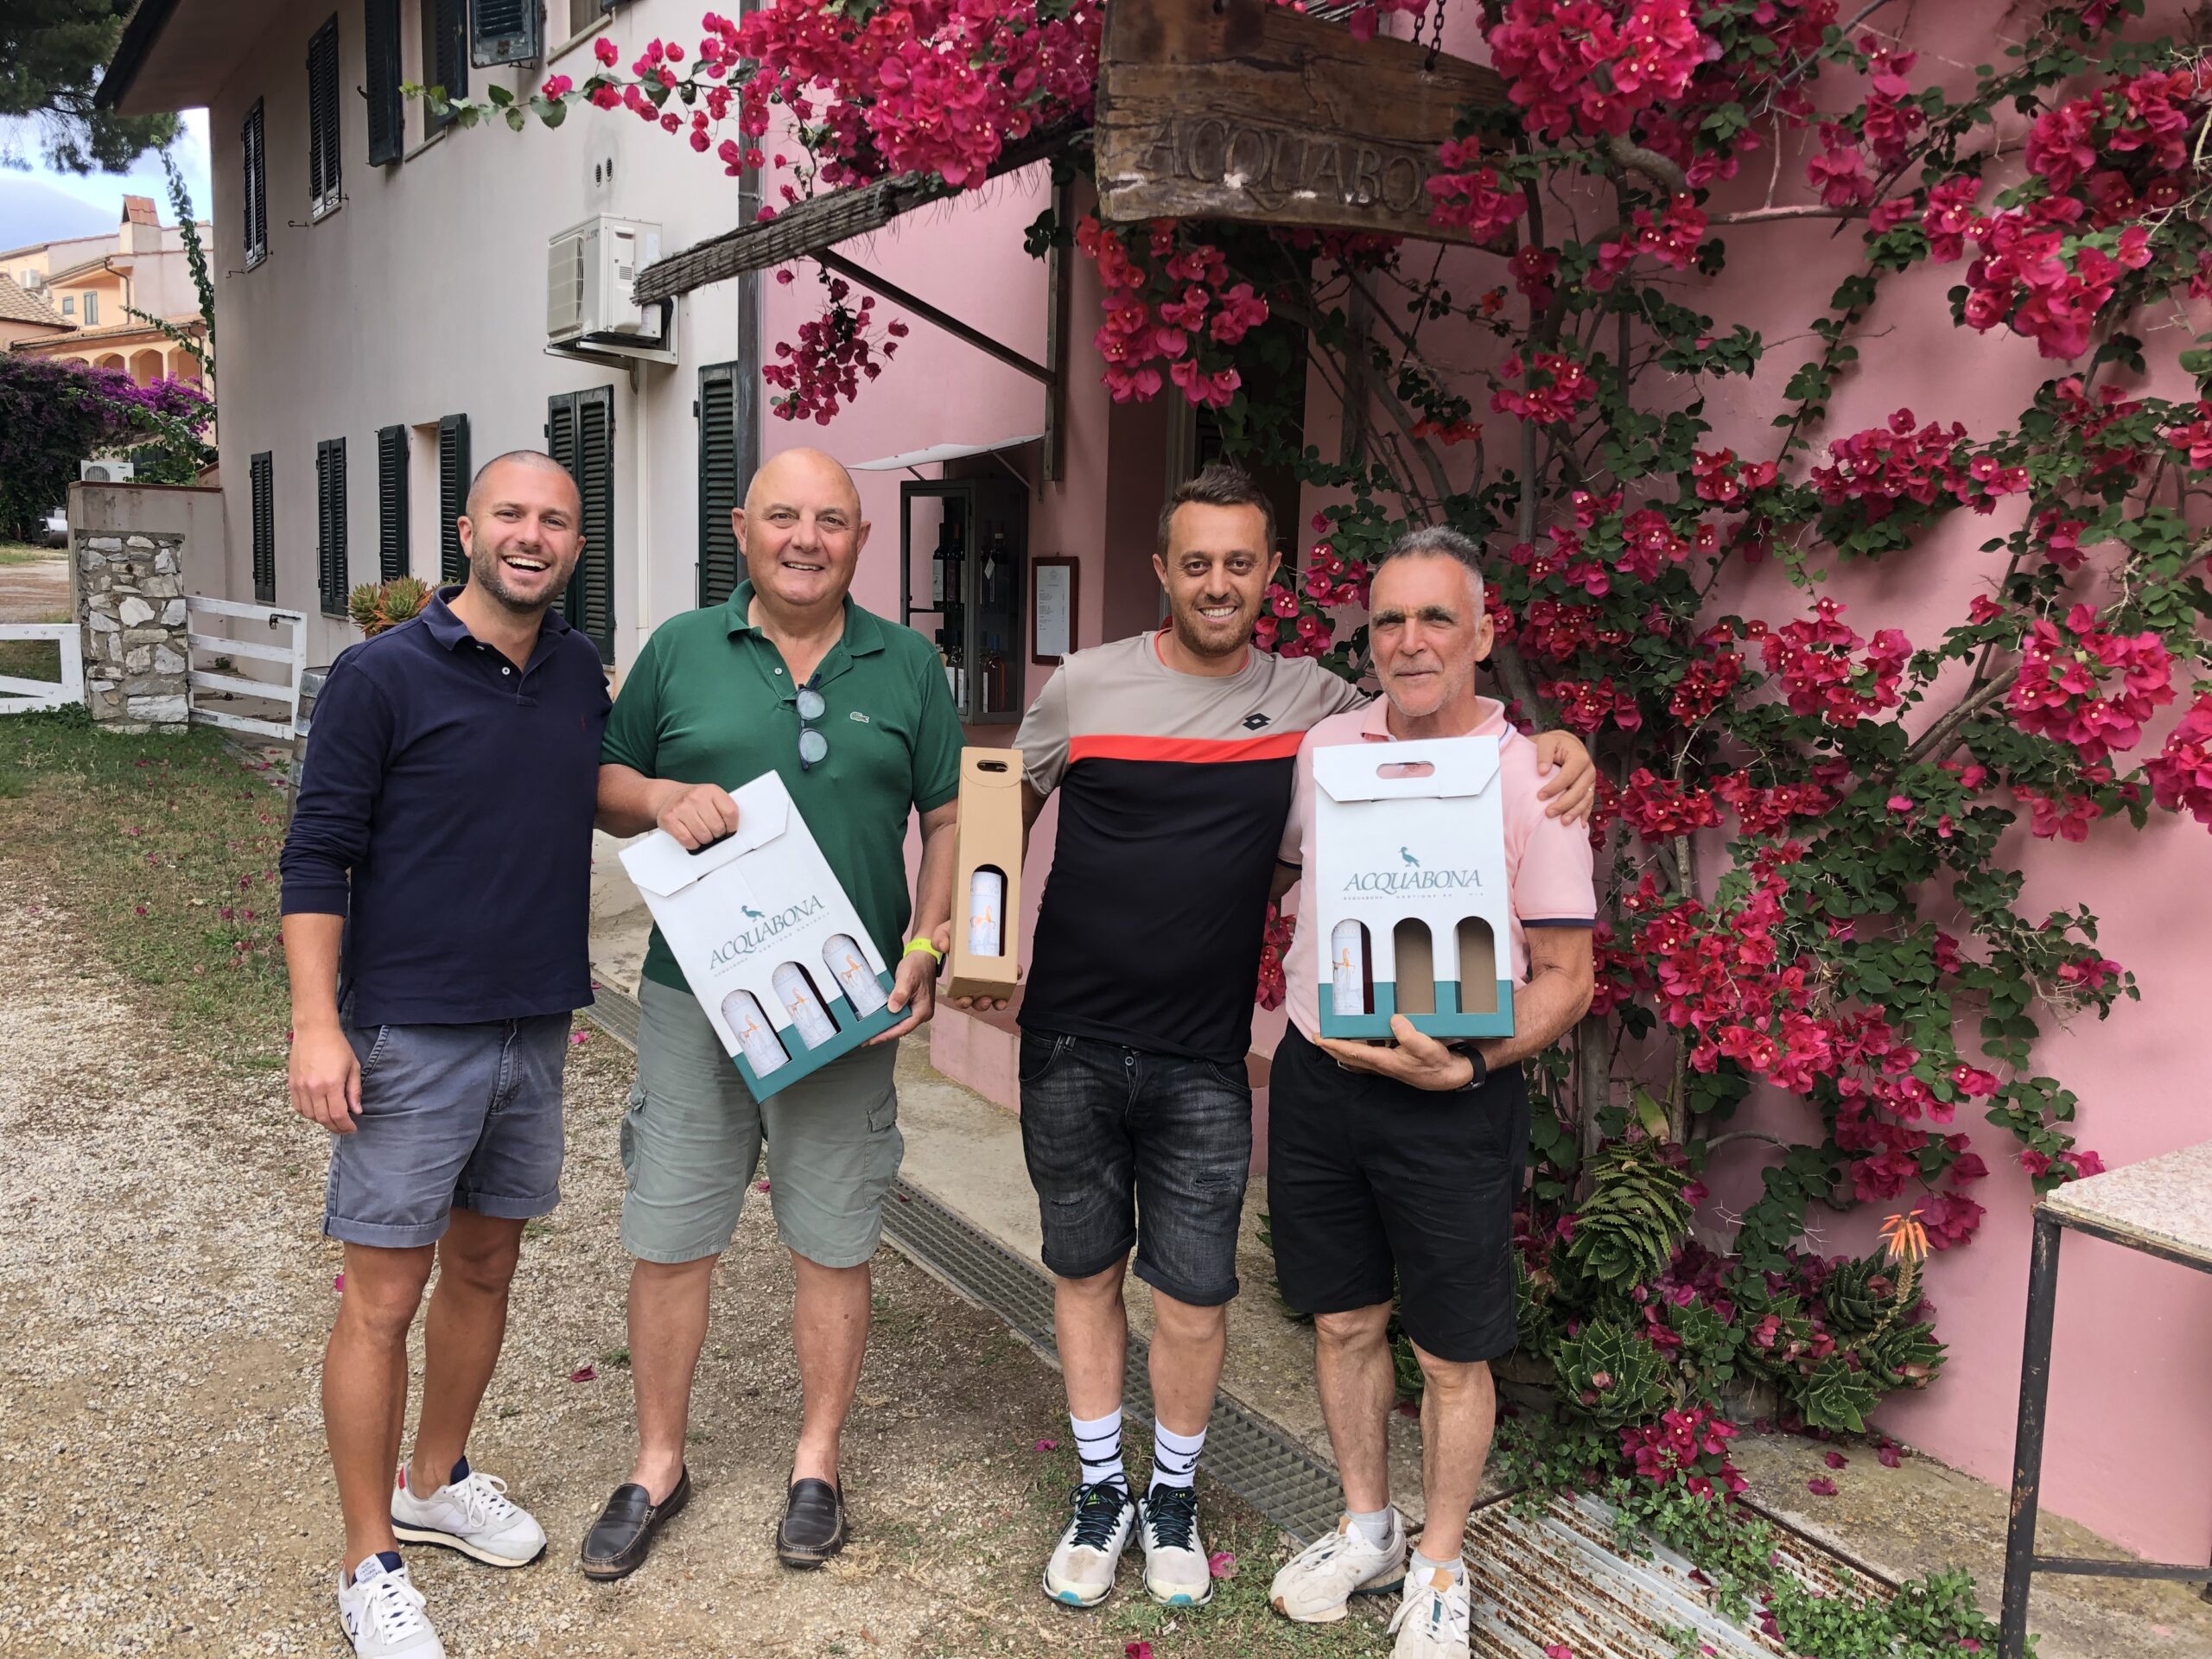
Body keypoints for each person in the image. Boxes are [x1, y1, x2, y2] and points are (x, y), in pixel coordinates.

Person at [984, 464, 1596, 1611]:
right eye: (1195, 562)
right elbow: (992, 807)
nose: (1217, 582)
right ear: (1162, 571)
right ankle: (1125, 1493)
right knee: (1122, 1276)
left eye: (1240, 562)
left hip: (1240, 1056)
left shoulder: (1361, 727)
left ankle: (1242, 1517)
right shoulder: (1147, 699)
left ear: (1272, 574)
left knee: (1223, 1296)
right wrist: (970, 941)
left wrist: (1559, 747)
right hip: (1112, 1042)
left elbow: (1463, 748)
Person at [582, 447, 961, 1580]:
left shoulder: (909, 664)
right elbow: (603, 783)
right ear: (742, 529)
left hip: (843, 1004)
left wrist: (928, 943)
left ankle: (817, 1463)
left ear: (862, 539)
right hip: (693, 996)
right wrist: (660, 796)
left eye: (831, 520)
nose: (806, 539)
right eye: (783, 516)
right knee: (670, 1234)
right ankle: (657, 1463)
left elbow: (949, 819)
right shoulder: (679, 650)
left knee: (833, 1238)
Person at [282, 452, 610, 1659]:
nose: (532, 535)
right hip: (409, 1032)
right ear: (467, 529)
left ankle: (434, 1480)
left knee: (484, 1266)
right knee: (382, 1297)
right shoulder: (381, 675)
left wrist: (686, 802)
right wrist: (316, 1023)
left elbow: (592, 785)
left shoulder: (577, 670)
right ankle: (368, 1561)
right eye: (510, 514)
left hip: (535, 1022)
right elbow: (317, 852)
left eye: (555, 520)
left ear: (576, 544)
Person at [1264, 526, 1596, 1659]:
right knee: (1344, 1319)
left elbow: (1568, 979)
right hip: (1320, 1078)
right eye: (1390, 620)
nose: (1410, 641)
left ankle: (1442, 1565)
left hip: (1455, 1093)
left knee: (1454, 1352)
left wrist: (1472, 1064)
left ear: (1483, 634)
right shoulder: (1326, 750)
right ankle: (1369, 1528)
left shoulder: (1533, 778)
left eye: (1437, 618)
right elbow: (1281, 871)